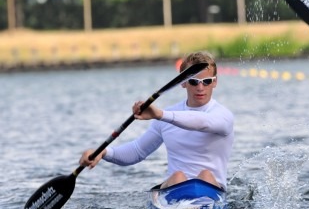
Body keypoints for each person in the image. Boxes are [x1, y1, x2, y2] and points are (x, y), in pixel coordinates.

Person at [80, 51, 235, 189]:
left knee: (205, 176)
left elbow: (202, 122)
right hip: (174, 188)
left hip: (212, 189)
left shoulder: (223, 116)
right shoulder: (167, 116)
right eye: (194, 81)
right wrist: (103, 152)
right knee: (178, 176)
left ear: (215, 82)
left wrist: (160, 114)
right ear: (183, 82)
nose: (200, 88)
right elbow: (137, 151)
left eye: (207, 81)